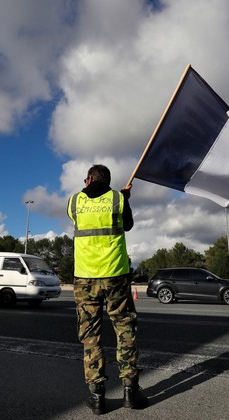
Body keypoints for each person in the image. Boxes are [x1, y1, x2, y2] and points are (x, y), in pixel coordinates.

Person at [67, 164, 147, 415]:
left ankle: (97, 396)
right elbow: (128, 225)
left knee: (90, 335)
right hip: (115, 275)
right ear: (108, 180)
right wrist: (125, 198)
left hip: (85, 277)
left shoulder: (74, 201)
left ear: (89, 178)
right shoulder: (118, 199)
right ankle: (130, 391)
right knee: (125, 329)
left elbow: (83, 211)